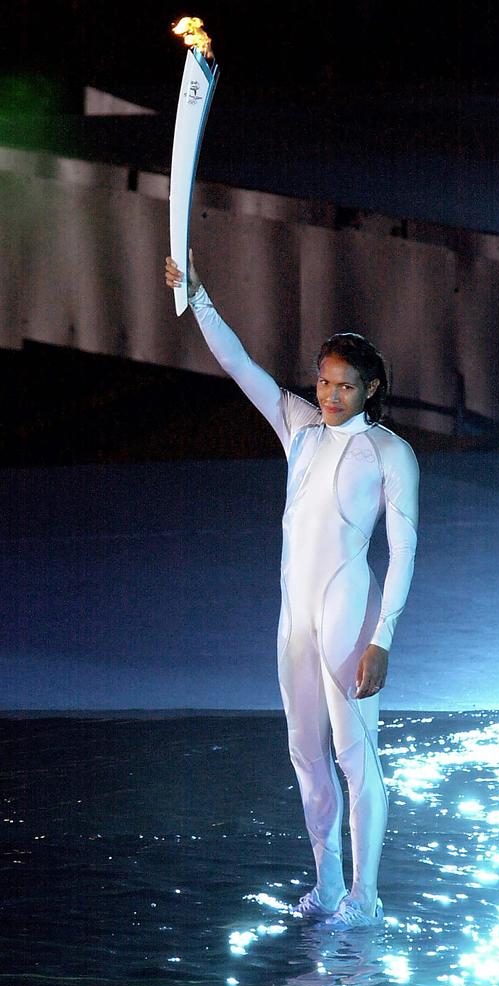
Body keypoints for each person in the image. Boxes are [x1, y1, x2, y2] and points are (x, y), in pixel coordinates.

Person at [165, 252, 419, 930]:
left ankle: (366, 896)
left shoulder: (390, 453)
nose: (331, 394)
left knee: (353, 753)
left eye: (345, 386)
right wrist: (199, 295)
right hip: (294, 620)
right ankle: (328, 884)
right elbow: (239, 363)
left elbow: (404, 549)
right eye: (325, 381)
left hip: (347, 615)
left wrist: (383, 639)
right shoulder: (297, 426)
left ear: (370, 390)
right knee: (304, 751)